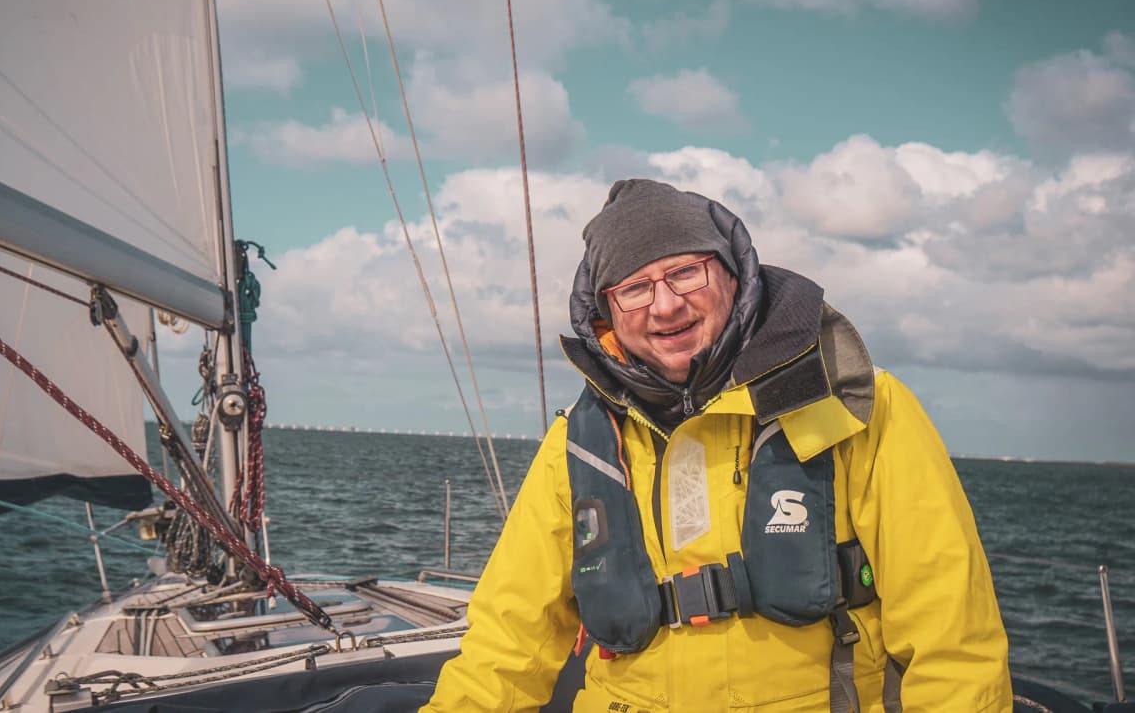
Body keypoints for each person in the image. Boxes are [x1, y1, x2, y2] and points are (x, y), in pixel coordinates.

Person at [422, 179, 1012, 712]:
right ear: (605, 316)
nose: (665, 305)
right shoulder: (576, 445)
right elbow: (506, 643)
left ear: (733, 275)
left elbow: (952, 634)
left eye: (686, 273)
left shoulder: (859, 402)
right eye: (634, 288)